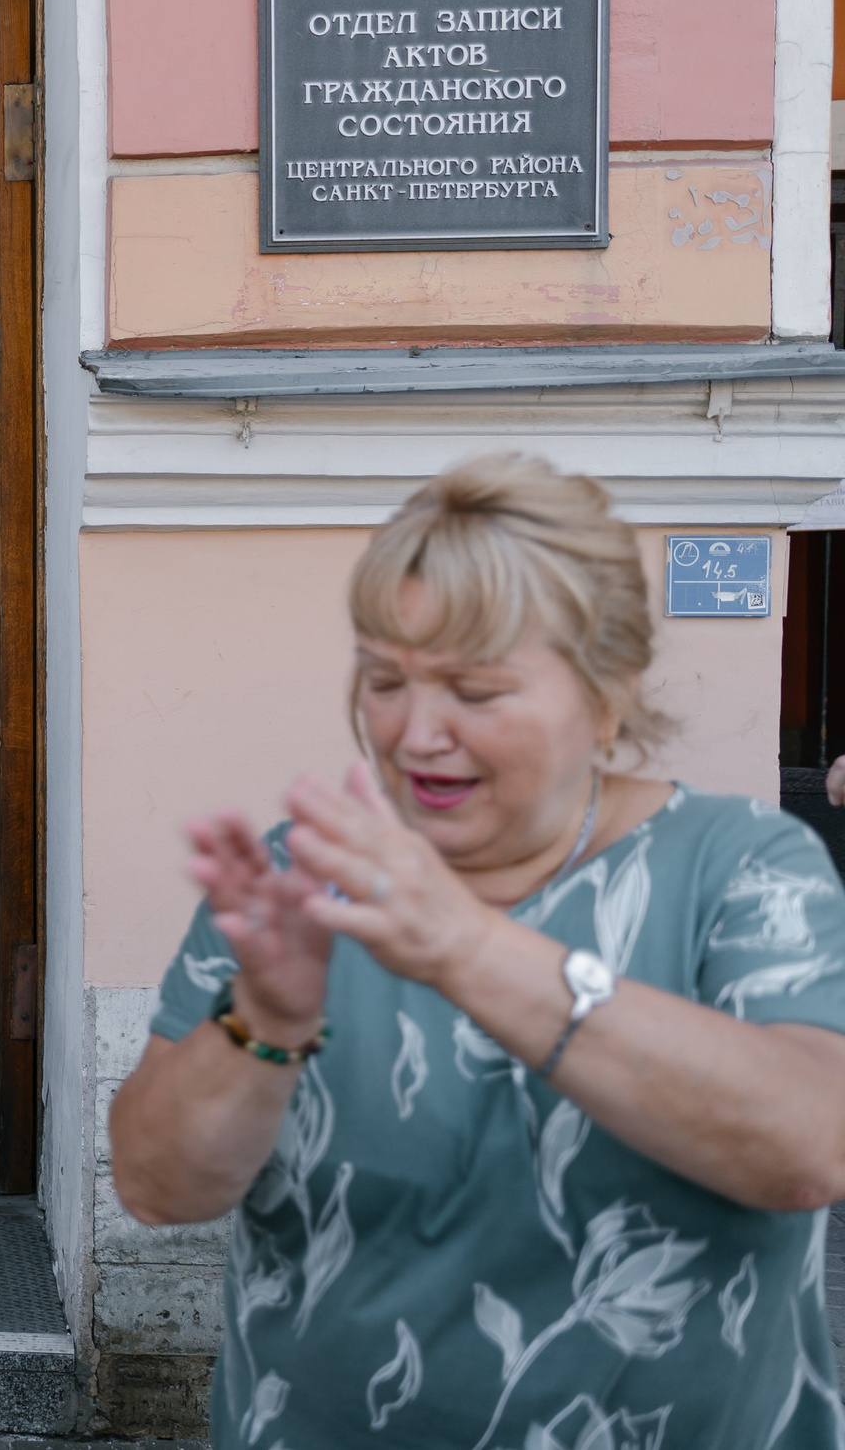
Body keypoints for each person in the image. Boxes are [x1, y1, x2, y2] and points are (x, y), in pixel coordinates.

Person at [110, 453, 845, 1450]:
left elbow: (810, 1146)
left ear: (606, 693)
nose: (415, 733)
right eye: (384, 681)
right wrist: (263, 1023)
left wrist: (466, 948)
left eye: (475, 689)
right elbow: (157, 1188)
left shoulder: (741, 866)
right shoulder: (303, 877)